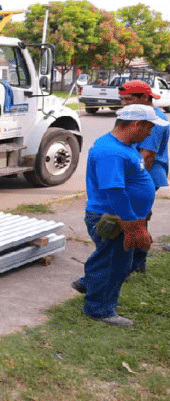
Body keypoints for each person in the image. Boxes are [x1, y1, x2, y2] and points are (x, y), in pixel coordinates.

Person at [71, 104, 167, 327]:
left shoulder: (124, 146)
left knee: (113, 261)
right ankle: (99, 310)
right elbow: (114, 192)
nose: (150, 133)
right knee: (112, 264)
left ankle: (93, 289)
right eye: (149, 127)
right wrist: (133, 225)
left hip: (124, 216)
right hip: (113, 218)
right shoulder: (111, 152)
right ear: (136, 124)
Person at [117, 80, 169, 268]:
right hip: (138, 174)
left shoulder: (154, 119)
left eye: (128, 99)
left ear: (145, 97)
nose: (124, 103)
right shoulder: (138, 114)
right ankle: (133, 262)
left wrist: (129, 183)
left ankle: (136, 264)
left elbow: (146, 157)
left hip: (146, 175)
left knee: (137, 218)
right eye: (122, 99)